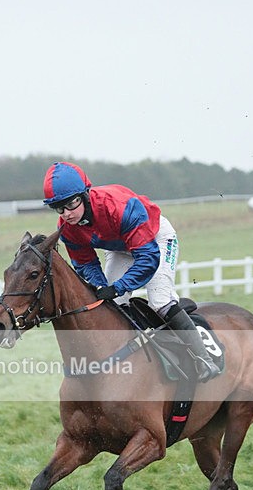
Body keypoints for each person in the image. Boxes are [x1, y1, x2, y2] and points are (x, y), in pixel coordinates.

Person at [42, 161, 220, 382]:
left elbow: (148, 258)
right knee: (111, 305)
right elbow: (85, 263)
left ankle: (203, 359)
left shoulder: (118, 207)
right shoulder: (68, 228)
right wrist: (102, 287)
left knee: (160, 301)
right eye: (59, 208)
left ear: (85, 194)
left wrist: (118, 287)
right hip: (120, 247)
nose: (66, 214)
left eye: (71, 204)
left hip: (155, 240)